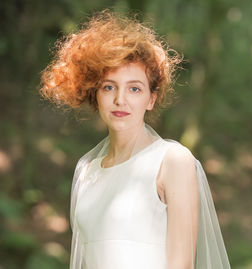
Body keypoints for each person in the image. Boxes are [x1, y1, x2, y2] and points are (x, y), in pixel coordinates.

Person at [39, 10, 231, 269]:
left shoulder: (172, 161)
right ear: (95, 94)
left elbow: (182, 265)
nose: (120, 99)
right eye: (109, 86)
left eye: (134, 88)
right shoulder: (87, 170)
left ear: (151, 99)